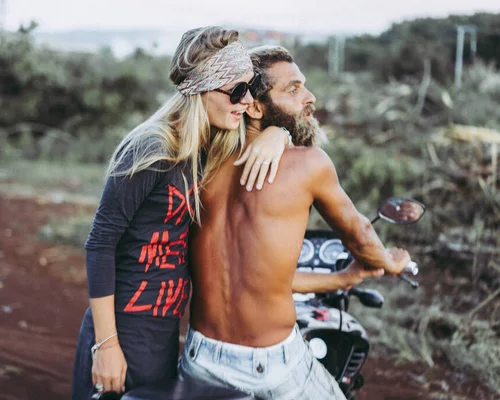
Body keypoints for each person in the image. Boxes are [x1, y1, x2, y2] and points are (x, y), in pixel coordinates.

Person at [179, 45, 412, 399]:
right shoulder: (309, 164)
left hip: (199, 357)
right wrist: (388, 262)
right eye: (293, 89)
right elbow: (361, 234)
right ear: (254, 106)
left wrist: (343, 279)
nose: (310, 97)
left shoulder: (201, 162)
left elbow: (261, 282)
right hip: (272, 365)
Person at [70, 28, 292, 400]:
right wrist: (106, 346)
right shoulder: (155, 148)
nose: (246, 100)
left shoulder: (209, 147)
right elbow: (100, 243)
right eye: (237, 91)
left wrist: (278, 135)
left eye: (250, 86)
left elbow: (298, 143)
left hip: (164, 329)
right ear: (202, 90)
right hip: (125, 325)